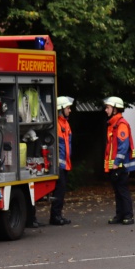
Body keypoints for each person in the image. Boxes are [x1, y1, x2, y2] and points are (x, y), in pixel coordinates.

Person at [104, 96, 135, 225]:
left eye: (108, 107)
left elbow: (123, 146)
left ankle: (128, 215)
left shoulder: (121, 124)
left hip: (120, 165)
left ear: (115, 109)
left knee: (122, 191)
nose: (106, 110)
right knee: (117, 191)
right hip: (115, 165)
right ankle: (120, 215)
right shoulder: (113, 124)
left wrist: (117, 164)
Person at [50, 96, 74, 225]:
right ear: (61, 109)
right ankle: (55, 216)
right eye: (68, 108)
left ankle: (57, 215)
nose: (69, 110)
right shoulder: (57, 125)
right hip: (59, 164)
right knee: (59, 191)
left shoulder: (65, 123)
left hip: (64, 164)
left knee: (61, 190)